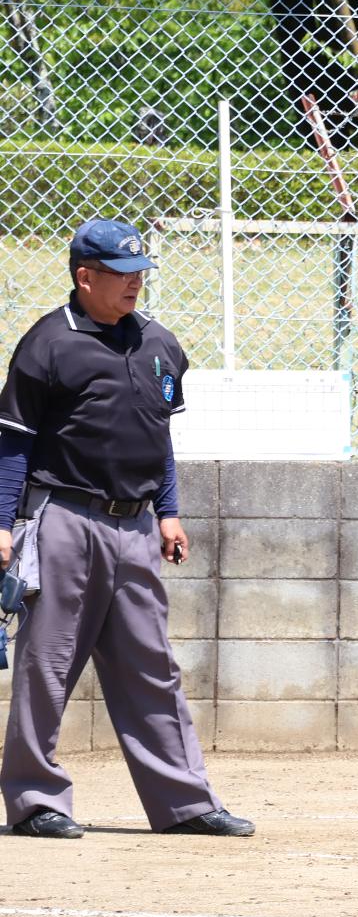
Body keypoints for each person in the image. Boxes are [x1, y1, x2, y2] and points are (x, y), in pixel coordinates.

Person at [0, 218, 252, 839]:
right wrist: (2, 523)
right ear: (85, 277)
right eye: (121, 273)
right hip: (63, 519)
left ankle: (185, 803)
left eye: (140, 271)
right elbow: (13, 445)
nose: (136, 282)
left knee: (152, 665)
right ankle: (35, 802)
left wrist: (169, 510)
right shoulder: (47, 344)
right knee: (48, 663)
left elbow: (158, 435)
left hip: (136, 525)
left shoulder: (159, 341)